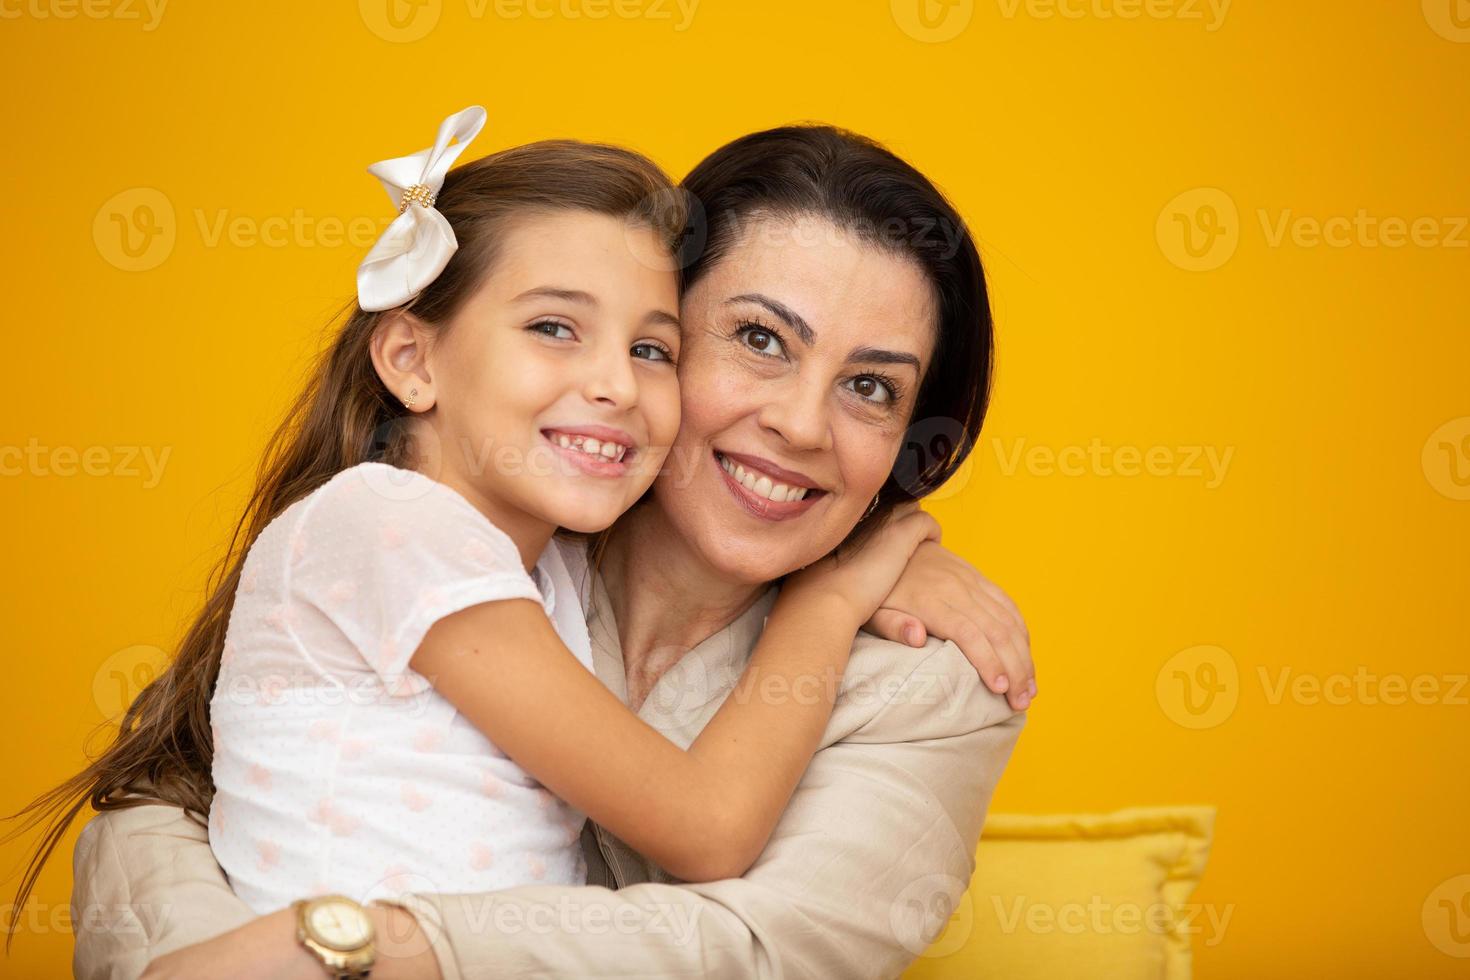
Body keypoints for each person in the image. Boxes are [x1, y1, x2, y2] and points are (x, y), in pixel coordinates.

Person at [51, 122, 1035, 979]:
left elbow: (762, 951)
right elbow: (161, 798)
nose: (802, 422)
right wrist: (271, 952)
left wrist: (360, 946)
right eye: (760, 339)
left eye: (872, 388)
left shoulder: (929, 683)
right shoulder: (493, 536)